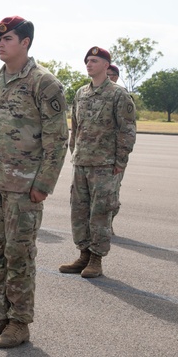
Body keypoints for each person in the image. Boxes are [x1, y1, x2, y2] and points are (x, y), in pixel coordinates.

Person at [0, 16, 69, 348]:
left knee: (19, 254)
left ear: (25, 42)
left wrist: (43, 183)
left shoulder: (44, 83)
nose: (0, 43)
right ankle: (1, 314)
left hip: (24, 188)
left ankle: (20, 321)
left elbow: (57, 139)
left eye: (7, 38)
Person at [59, 46, 136, 278]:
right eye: (87, 61)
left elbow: (128, 130)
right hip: (82, 162)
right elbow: (76, 127)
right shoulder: (81, 93)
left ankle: (96, 259)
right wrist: (75, 152)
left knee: (101, 212)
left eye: (94, 60)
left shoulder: (118, 95)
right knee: (79, 211)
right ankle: (83, 254)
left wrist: (120, 160)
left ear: (106, 65)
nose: (89, 64)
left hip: (105, 164)